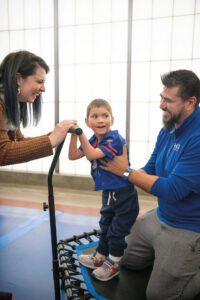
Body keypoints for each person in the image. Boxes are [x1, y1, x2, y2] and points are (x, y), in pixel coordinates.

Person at [99, 70, 200, 299]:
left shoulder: (198, 137)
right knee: (124, 258)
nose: (161, 105)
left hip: (190, 227)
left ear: (190, 102)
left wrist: (125, 172)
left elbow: (172, 189)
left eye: (169, 100)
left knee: (158, 295)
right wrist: (121, 177)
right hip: (161, 215)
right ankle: (169, 259)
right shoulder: (169, 127)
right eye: (161, 97)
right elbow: (152, 166)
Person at [68, 98, 139, 281]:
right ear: (87, 122)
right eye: (95, 116)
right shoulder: (93, 138)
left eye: (105, 116)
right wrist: (74, 134)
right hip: (109, 192)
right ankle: (100, 257)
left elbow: (91, 154)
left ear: (112, 120)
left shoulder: (112, 138)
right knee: (105, 226)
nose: (100, 120)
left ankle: (114, 263)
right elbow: (73, 155)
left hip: (124, 194)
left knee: (116, 231)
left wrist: (80, 132)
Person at [0, 50, 77, 166]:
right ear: (18, 79)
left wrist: (55, 135)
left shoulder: (9, 103)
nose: (43, 89)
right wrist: (51, 140)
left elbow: (17, 141)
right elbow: (2, 152)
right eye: (39, 81)